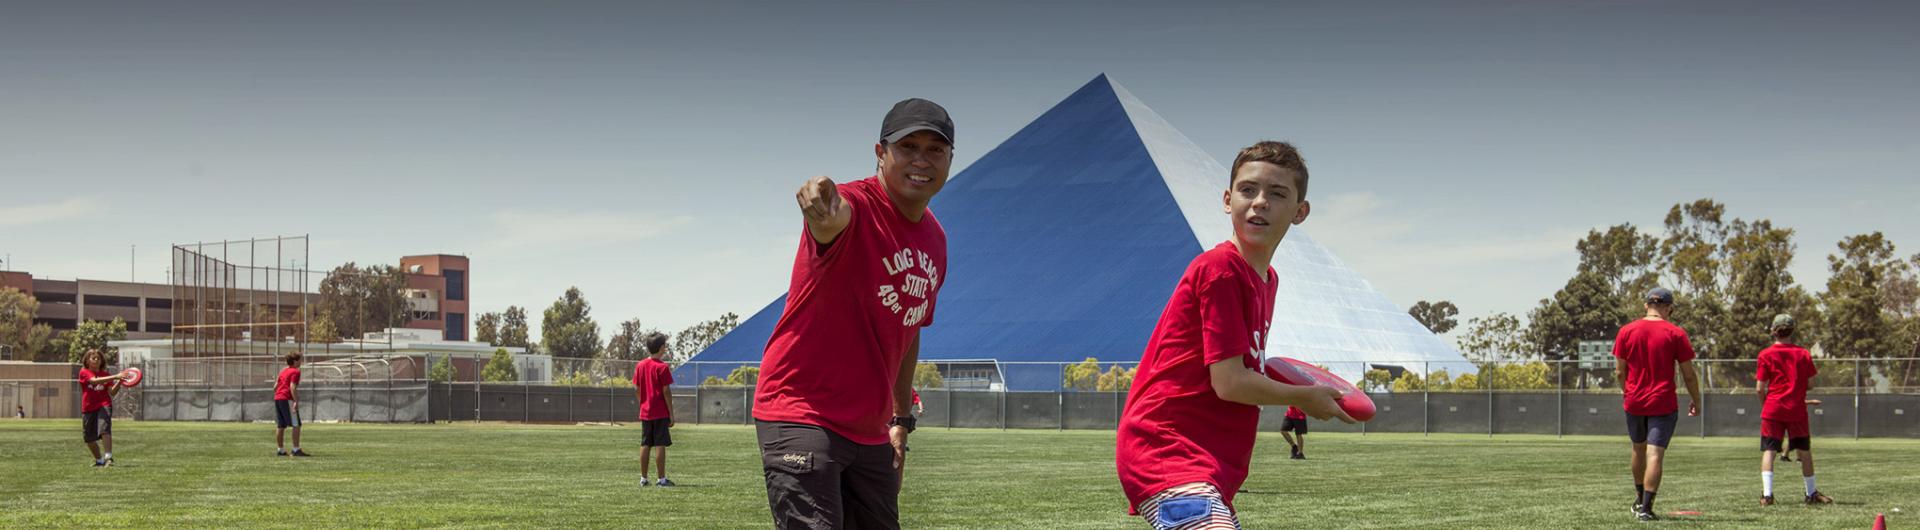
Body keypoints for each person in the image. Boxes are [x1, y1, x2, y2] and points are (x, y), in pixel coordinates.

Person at [1116, 141, 1355, 529]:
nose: (1259, 202)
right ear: (1228, 200)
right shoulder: (1220, 269)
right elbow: (1229, 383)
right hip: (1167, 450)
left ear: (1300, 212)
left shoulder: (1266, 280)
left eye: (1277, 194)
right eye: (1248, 190)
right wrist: (1302, 397)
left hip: (1208, 461)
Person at [752, 97, 954, 529]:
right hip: (802, 411)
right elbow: (830, 218)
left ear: (950, 158)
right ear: (880, 153)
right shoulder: (856, 206)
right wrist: (820, 207)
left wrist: (900, 420)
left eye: (935, 149)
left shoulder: (935, 238)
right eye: (908, 146)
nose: (921, 160)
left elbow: (910, 327)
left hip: (869, 429)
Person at [1611, 287, 1702, 521]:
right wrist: (1696, 399)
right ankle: (1646, 508)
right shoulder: (1675, 333)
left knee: (1638, 449)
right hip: (1662, 401)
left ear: (1646, 305)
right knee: (1655, 454)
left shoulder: (1626, 331)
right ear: (1668, 307)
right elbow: (1689, 375)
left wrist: (1627, 392)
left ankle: (1639, 498)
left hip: (1634, 401)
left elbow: (1620, 371)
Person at [1755, 314, 1833, 506]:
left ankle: (1767, 495)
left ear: (1774, 330)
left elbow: (1759, 388)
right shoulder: (1803, 354)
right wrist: (1795, 387)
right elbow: (1811, 384)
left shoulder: (1765, 354)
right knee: (1804, 451)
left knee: (1769, 450)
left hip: (1772, 409)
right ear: (1792, 330)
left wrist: (1766, 404)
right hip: (1796, 409)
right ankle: (1811, 493)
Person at [634, 333, 675, 487]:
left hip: (646, 412)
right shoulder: (662, 367)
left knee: (645, 444)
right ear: (661, 348)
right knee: (660, 444)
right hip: (659, 412)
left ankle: (643, 479)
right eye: (664, 345)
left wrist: (643, 403)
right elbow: (666, 391)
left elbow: (637, 389)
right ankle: (661, 479)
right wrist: (671, 412)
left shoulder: (640, 365)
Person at [77, 350, 128, 466]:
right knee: (89, 438)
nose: (96, 360)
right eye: (93, 358)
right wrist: (115, 376)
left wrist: (119, 382)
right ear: (87, 361)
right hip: (88, 407)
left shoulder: (105, 375)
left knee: (104, 429)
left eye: (98, 358)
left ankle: (108, 457)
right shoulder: (84, 372)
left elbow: (112, 392)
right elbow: (94, 381)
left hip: (103, 405)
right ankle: (99, 460)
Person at [274, 352, 309, 457]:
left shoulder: (283, 371)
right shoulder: (295, 372)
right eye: (299, 360)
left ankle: (280, 450)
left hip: (278, 398)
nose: (300, 362)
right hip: (287, 399)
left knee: (281, 425)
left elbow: (275, 386)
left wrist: (279, 395)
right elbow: (292, 387)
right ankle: (296, 449)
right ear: (295, 361)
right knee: (296, 424)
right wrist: (295, 401)